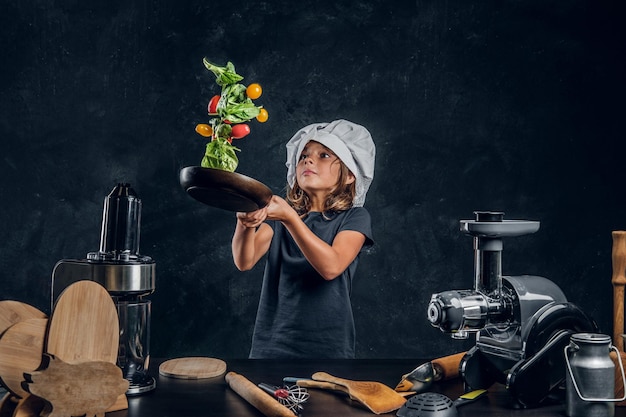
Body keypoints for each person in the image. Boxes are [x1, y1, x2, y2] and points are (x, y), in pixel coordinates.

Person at [231, 119, 376, 359]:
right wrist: (244, 220)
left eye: (324, 155)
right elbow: (243, 261)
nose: (308, 159)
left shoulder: (354, 218)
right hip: (272, 346)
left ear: (350, 174)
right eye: (303, 156)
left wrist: (289, 218)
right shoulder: (279, 222)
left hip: (329, 349)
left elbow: (331, 267)